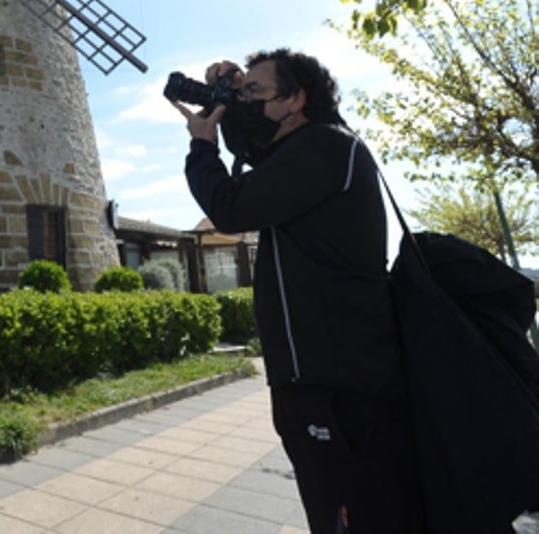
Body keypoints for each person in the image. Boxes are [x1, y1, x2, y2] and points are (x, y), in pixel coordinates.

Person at [170, 48, 424, 534]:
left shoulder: (327, 146)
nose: (245, 102)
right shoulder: (305, 153)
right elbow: (263, 156)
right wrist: (233, 101)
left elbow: (233, 206)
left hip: (341, 383)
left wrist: (203, 147)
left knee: (355, 519)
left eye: (255, 93)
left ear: (296, 100)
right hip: (321, 378)